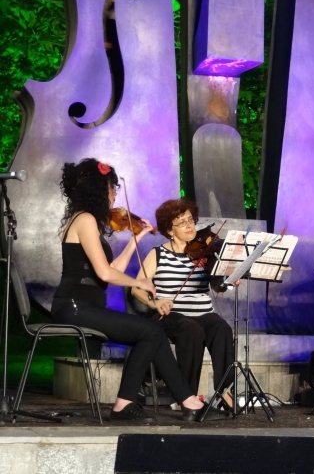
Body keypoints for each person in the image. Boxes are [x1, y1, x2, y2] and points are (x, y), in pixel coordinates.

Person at [51, 158, 222, 423]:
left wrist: (136, 238)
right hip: (73, 306)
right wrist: (138, 282)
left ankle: (188, 402)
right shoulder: (85, 219)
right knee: (150, 331)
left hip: (86, 306)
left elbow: (112, 268)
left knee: (152, 333)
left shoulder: (88, 220)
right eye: (111, 188)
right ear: (99, 189)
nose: (114, 195)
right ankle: (127, 404)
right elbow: (105, 274)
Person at [131, 199, 235, 407]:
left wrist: (228, 279)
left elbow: (218, 288)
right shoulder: (158, 254)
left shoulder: (206, 252)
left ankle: (226, 391)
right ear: (170, 230)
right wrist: (155, 303)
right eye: (182, 222)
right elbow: (136, 288)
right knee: (191, 329)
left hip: (203, 313)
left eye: (190, 220)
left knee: (221, 328)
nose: (189, 225)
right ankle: (187, 396)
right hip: (171, 315)